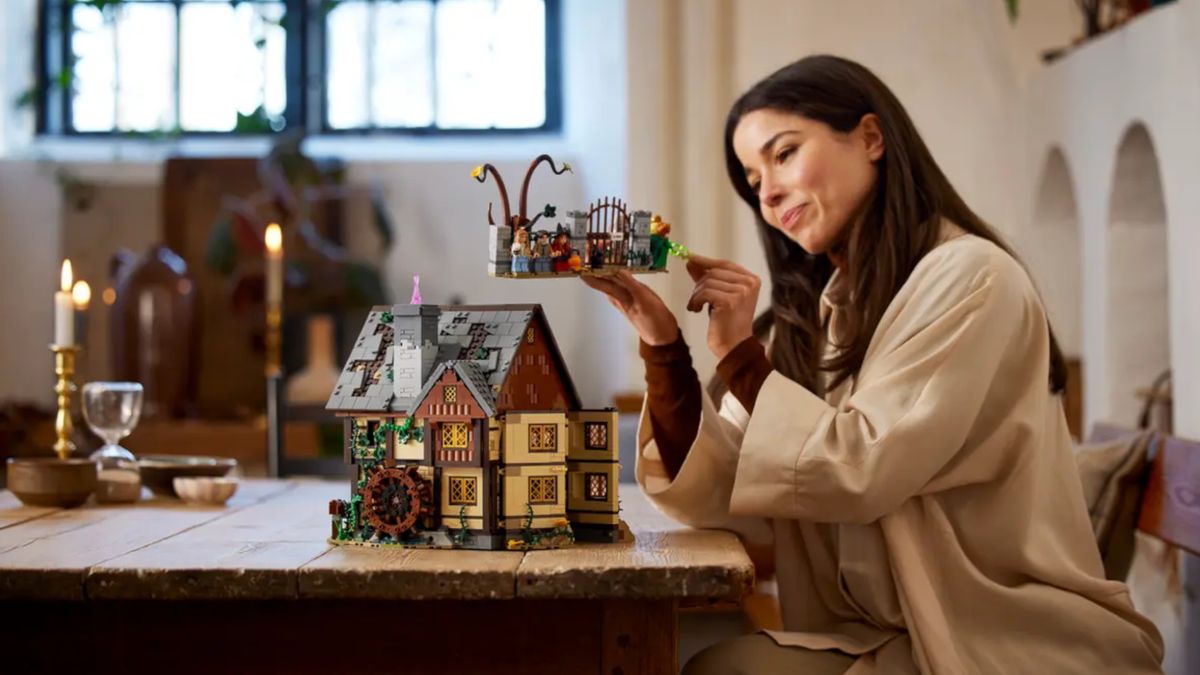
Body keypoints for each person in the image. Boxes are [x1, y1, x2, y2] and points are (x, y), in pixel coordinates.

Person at [583, 55, 1163, 675]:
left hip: (1000, 638)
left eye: (783, 155)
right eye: (753, 180)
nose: (769, 192)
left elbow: (859, 468)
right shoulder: (820, 315)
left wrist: (742, 357)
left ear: (870, 138)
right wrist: (665, 347)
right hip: (883, 639)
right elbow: (728, 490)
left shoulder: (971, 278)